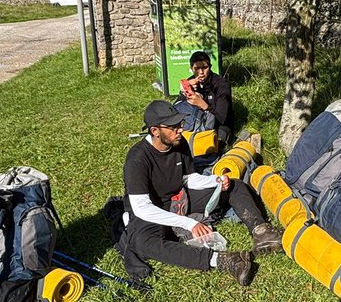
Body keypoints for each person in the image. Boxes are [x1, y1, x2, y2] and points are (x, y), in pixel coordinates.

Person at [120, 100, 281, 286]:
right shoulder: (137, 158)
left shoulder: (180, 143)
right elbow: (141, 208)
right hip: (151, 212)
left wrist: (216, 180)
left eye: (179, 124)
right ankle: (223, 260)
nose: (180, 129)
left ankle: (261, 232)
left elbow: (188, 179)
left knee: (233, 185)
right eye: (173, 127)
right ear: (155, 131)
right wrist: (189, 223)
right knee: (142, 243)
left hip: (178, 199)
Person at [174, 50, 234, 141]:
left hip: (218, 124)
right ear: (191, 68)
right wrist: (186, 90)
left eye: (204, 68)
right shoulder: (190, 82)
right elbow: (178, 108)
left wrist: (203, 105)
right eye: (197, 68)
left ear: (210, 67)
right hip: (196, 122)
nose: (201, 72)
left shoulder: (221, 85)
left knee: (220, 137)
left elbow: (222, 118)